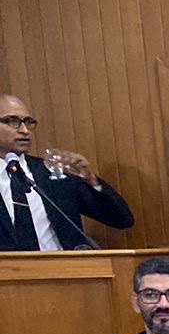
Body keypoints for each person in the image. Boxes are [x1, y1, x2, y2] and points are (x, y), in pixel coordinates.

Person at [0, 93, 134, 251]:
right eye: (13, 121)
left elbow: (121, 219)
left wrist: (92, 181)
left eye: (28, 122)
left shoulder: (54, 173)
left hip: (65, 264)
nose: (25, 130)